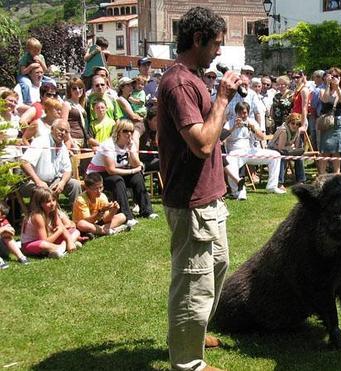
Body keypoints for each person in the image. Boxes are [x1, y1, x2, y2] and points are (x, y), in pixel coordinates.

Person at [156, 7, 241, 371]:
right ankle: (189, 363)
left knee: (217, 265)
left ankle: (194, 330)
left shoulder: (193, 77)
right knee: (193, 282)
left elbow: (210, 134)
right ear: (197, 40)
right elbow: (202, 144)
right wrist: (222, 97)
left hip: (209, 197)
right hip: (191, 203)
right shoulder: (179, 83)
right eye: (216, 44)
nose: (219, 52)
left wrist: (225, 105)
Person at [86, 119, 157, 227]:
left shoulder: (130, 143)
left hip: (117, 171)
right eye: (125, 131)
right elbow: (111, 170)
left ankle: (147, 211)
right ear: (118, 132)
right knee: (117, 180)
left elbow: (136, 164)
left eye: (131, 131)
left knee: (137, 177)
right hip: (97, 175)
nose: (129, 134)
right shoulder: (108, 145)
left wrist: (131, 151)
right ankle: (127, 216)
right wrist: (133, 170)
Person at [224, 102, 286, 199]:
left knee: (276, 155)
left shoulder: (251, 121)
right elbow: (222, 138)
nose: (243, 115)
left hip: (250, 151)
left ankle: (272, 186)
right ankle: (238, 191)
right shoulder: (230, 122)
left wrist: (252, 129)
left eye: (245, 113)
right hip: (235, 152)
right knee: (230, 163)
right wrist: (233, 128)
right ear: (236, 113)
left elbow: (262, 137)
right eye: (240, 113)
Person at [19, 119, 82, 205]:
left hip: (54, 181)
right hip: (34, 182)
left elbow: (68, 170)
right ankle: (41, 214)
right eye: (60, 129)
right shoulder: (41, 141)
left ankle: (77, 213)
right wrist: (38, 182)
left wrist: (62, 183)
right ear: (52, 129)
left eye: (66, 131)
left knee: (75, 184)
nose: (63, 133)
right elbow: (24, 162)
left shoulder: (62, 146)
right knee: (43, 191)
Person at [21, 187, 80, 259]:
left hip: (49, 241)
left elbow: (61, 227)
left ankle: (61, 248)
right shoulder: (37, 216)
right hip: (32, 244)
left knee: (75, 232)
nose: (52, 204)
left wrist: (69, 240)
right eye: (48, 202)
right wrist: (59, 231)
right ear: (39, 204)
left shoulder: (53, 211)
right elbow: (45, 240)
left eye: (54, 200)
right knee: (44, 244)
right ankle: (62, 248)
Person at [73, 172, 128, 237]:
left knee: (122, 216)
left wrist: (113, 210)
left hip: (97, 224)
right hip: (86, 224)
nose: (99, 191)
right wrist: (101, 211)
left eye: (101, 187)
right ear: (87, 188)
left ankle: (97, 231)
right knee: (81, 224)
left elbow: (106, 219)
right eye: (95, 189)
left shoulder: (102, 196)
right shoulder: (81, 200)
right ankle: (109, 231)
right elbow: (87, 220)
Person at [317, 67, 341, 175]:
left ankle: (337, 174)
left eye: (337, 76)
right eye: (332, 76)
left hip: (339, 122)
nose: (334, 78)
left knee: (337, 150)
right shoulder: (322, 89)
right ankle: (322, 174)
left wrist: (337, 88)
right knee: (325, 150)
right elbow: (325, 99)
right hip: (327, 122)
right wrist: (328, 85)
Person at [269, 112, 306, 187]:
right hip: (274, 149)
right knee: (282, 157)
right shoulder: (284, 131)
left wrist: (296, 150)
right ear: (289, 122)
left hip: (287, 150)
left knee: (299, 157)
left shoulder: (297, 131)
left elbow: (296, 146)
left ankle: (300, 180)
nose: (295, 126)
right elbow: (280, 148)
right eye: (293, 123)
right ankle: (280, 183)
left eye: (298, 124)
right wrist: (291, 148)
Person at [17, 38, 49, 105]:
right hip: (24, 75)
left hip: (37, 75)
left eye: (38, 50)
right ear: (29, 50)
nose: (37, 52)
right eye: (34, 51)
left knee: (51, 82)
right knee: (27, 84)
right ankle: (27, 102)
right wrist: (31, 66)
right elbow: (23, 72)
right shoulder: (25, 57)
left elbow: (45, 70)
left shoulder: (41, 57)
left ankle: (48, 99)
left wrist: (40, 61)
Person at [61, 78, 90, 148]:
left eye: (80, 88)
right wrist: (70, 141)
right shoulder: (67, 104)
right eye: (74, 88)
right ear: (69, 91)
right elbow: (64, 124)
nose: (77, 90)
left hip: (83, 140)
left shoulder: (81, 105)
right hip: (73, 140)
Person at [0, 201, 29, 265]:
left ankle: (21, 257)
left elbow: (12, 232)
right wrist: (2, 229)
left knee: (7, 236)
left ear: (2, 217)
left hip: (3, 249)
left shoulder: (3, 222)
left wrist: (4, 231)